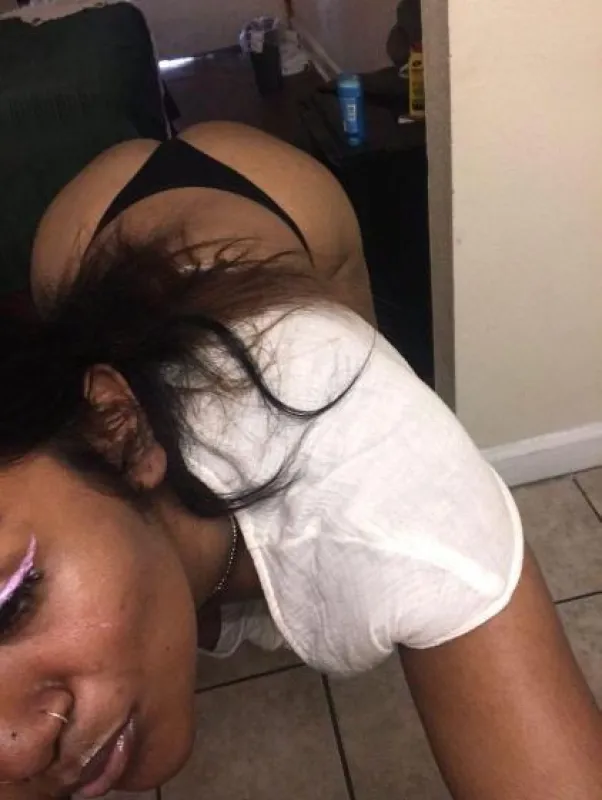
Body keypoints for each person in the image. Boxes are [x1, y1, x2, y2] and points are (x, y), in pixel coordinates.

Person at [1, 121, 601, 800]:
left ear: (117, 428)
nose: (16, 752)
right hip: (85, 236)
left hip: (266, 187)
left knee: (356, 348)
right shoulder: (72, 451)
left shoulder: (392, 489)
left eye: (11, 605)